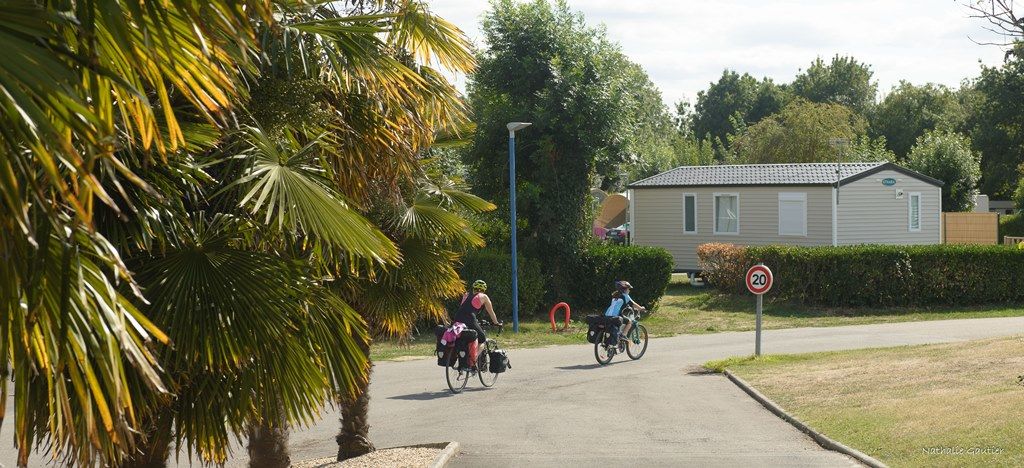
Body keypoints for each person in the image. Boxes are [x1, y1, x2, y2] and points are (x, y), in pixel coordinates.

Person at [453, 279, 501, 346]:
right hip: (470, 319)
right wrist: (496, 323)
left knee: (461, 337)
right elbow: (491, 312)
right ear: (484, 290)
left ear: (473, 288)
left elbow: (463, 308)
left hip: (457, 318)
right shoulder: (484, 297)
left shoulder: (466, 294)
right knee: (482, 339)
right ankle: (475, 356)